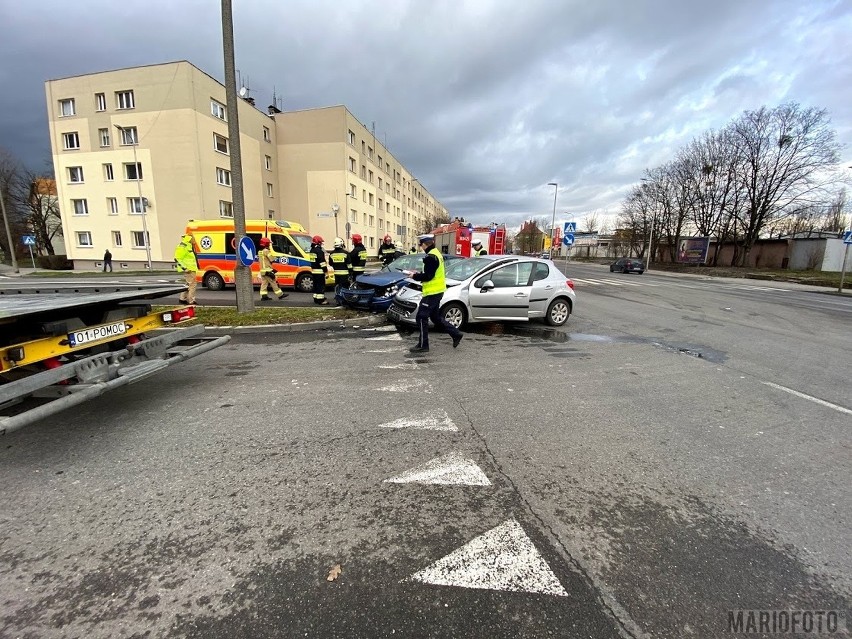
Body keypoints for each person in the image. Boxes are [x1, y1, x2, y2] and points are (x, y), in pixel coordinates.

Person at [406, 233, 463, 353]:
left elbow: (428, 276)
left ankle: (423, 345)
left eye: (421, 244)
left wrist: (414, 275)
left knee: (421, 317)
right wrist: (417, 273)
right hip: (437, 291)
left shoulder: (431, 257)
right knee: (435, 317)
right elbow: (432, 272)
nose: (420, 246)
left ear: (426, 244)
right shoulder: (436, 254)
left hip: (432, 292)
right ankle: (456, 333)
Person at [258, 237, 288, 302]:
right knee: (273, 282)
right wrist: (275, 258)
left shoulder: (260, 251)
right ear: (266, 244)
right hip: (267, 270)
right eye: (268, 243)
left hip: (263, 270)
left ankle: (264, 296)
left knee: (264, 283)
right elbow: (271, 259)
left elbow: (264, 261)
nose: (269, 244)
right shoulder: (266, 251)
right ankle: (280, 295)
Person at [174, 234, 198, 305]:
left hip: (191, 268)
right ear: (189, 239)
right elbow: (177, 258)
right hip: (189, 269)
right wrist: (185, 268)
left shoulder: (188, 245)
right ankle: (191, 301)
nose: (195, 240)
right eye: (193, 238)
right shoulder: (183, 246)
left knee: (188, 284)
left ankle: (182, 299)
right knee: (193, 285)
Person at [327, 237, 351, 304]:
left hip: (336, 274)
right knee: (344, 287)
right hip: (345, 274)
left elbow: (330, 263)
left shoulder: (331, 254)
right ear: (341, 244)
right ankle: (344, 300)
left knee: (337, 287)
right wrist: (351, 272)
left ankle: (338, 300)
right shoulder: (346, 253)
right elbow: (349, 264)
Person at [309, 235, 329, 305]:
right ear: (318, 242)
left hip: (314, 271)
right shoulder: (319, 251)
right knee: (321, 286)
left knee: (316, 286)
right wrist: (325, 271)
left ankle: (316, 298)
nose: (321, 244)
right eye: (321, 242)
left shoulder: (312, 250)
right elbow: (322, 263)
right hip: (320, 271)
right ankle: (321, 300)